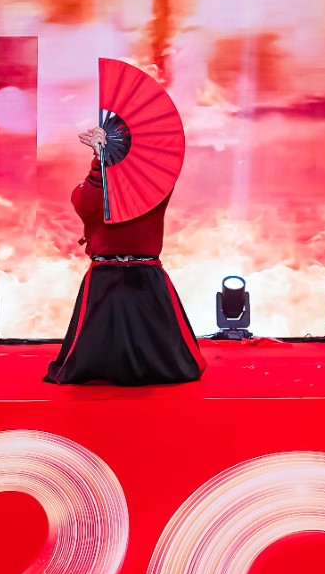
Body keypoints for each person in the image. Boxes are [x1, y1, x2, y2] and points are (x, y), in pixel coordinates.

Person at [43, 126, 205, 386]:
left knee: (173, 367)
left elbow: (145, 190)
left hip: (145, 276)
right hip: (105, 276)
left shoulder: (154, 183)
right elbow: (86, 206)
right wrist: (100, 162)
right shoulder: (98, 180)